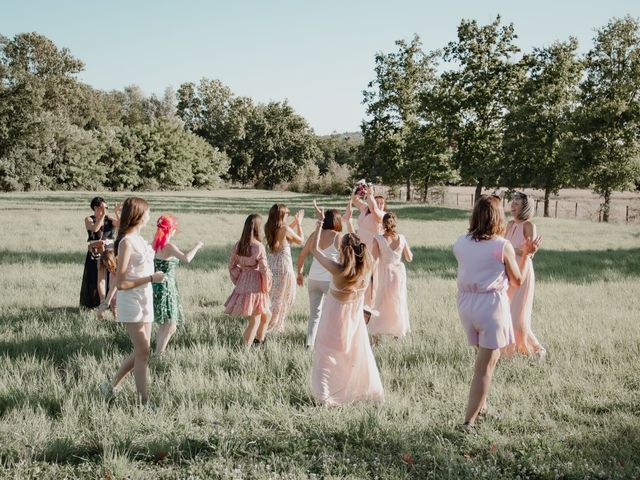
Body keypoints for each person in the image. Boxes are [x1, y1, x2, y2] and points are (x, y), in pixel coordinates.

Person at [453, 195, 542, 432]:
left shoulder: (460, 242)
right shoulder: (501, 246)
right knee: (485, 368)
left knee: (482, 362)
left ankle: (481, 407)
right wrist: (528, 254)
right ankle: (468, 423)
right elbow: (518, 280)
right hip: (490, 307)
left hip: (466, 305)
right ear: (497, 217)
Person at [310, 211, 384, 406]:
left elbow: (315, 250)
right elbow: (360, 248)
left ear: (343, 251)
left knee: (325, 357)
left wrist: (319, 225)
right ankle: (359, 393)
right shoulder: (367, 269)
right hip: (354, 323)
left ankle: (324, 397)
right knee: (356, 357)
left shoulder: (338, 270)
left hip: (333, 321)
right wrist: (349, 224)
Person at [101, 197, 165, 406]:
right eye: (147, 212)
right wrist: (150, 278)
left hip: (145, 299)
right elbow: (121, 283)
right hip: (132, 302)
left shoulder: (138, 238)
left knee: (142, 351)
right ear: (138, 215)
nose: (149, 215)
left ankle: (109, 386)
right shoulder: (126, 242)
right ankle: (143, 402)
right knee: (144, 351)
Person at [151, 214, 204, 354]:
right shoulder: (168, 246)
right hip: (166, 287)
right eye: (174, 228)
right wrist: (197, 246)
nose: (175, 231)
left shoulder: (155, 243)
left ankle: (157, 352)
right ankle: (158, 354)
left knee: (165, 324)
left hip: (158, 285)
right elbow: (186, 259)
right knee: (170, 325)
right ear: (170, 229)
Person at [503, 192, 546, 359]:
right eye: (512, 203)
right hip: (508, 272)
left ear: (525, 207)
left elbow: (529, 253)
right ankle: (511, 353)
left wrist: (508, 250)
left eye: (517, 204)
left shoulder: (529, 226)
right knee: (506, 314)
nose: (512, 206)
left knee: (517, 317)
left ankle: (536, 349)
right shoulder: (510, 224)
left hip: (523, 271)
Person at [296, 202, 342, 348]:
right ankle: (329, 343)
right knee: (333, 314)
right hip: (330, 281)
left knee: (314, 315)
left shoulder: (315, 235)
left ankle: (309, 344)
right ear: (337, 221)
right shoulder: (338, 237)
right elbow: (344, 260)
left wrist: (300, 273)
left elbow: (301, 256)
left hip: (313, 279)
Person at [225, 214, 273, 346]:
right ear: (258, 228)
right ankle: (245, 349)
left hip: (245, 280)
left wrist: (239, 278)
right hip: (256, 284)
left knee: (266, 315)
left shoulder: (238, 245)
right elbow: (264, 269)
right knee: (255, 319)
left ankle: (259, 342)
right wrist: (267, 283)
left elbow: (231, 265)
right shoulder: (259, 247)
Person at [367, 212, 413, 340]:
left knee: (381, 301)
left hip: (384, 273)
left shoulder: (378, 239)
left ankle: (376, 334)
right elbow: (409, 258)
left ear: (383, 224)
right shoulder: (402, 238)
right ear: (395, 223)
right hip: (398, 273)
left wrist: (368, 275)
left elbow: (374, 260)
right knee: (398, 301)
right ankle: (397, 334)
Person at [344, 185, 386, 317]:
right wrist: (358, 189)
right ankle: (358, 305)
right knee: (358, 276)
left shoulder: (381, 215)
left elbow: (374, 209)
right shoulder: (366, 209)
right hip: (359, 247)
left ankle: (369, 307)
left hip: (371, 250)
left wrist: (370, 194)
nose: (379, 204)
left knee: (370, 279)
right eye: (377, 202)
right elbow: (355, 200)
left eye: (382, 203)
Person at [264, 204, 304, 333]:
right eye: (287, 213)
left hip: (272, 264)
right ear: (282, 215)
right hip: (283, 266)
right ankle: (275, 325)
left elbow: (283, 234)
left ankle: (269, 322)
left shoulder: (269, 227)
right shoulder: (284, 228)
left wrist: (293, 223)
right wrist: (299, 224)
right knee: (285, 296)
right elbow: (300, 240)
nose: (289, 214)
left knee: (274, 295)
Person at [80, 197, 121, 308]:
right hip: (95, 251)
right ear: (95, 207)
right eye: (103, 207)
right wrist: (102, 216)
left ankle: (111, 302)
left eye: (106, 207)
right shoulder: (89, 219)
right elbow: (95, 229)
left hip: (109, 253)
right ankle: (95, 303)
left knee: (111, 276)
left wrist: (117, 213)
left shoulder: (109, 218)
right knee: (95, 277)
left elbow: (120, 225)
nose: (105, 209)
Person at [96, 250, 117, 320]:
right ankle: (115, 318)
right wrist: (103, 302)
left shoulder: (119, 269)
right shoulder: (111, 273)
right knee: (113, 304)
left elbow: (116, 284)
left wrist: (106, 303)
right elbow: (101, 282)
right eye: (106, 267)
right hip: (113, 291)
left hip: (120, 288)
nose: (108, 269)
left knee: (117, 304)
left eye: (109, 266)